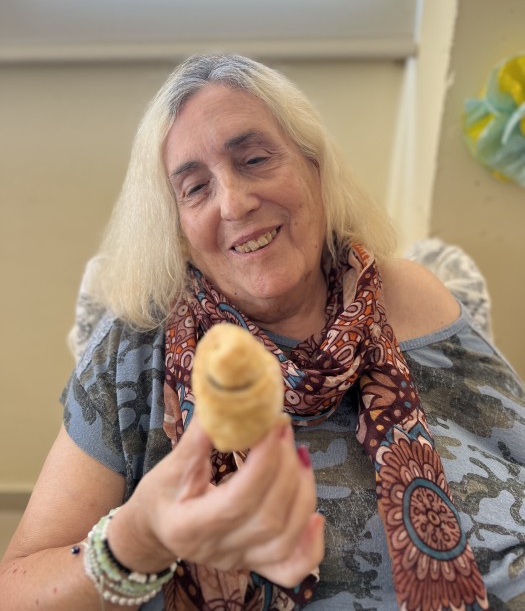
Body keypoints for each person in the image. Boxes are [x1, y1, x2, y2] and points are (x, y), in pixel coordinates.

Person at [1, 54, 524, 610]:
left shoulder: (407, 294)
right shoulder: (136, 343)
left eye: (254, 159)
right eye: (195, 188)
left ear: (315, 168)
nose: (234, 202)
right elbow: (16, 589)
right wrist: (137, 540)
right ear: (176, 229)